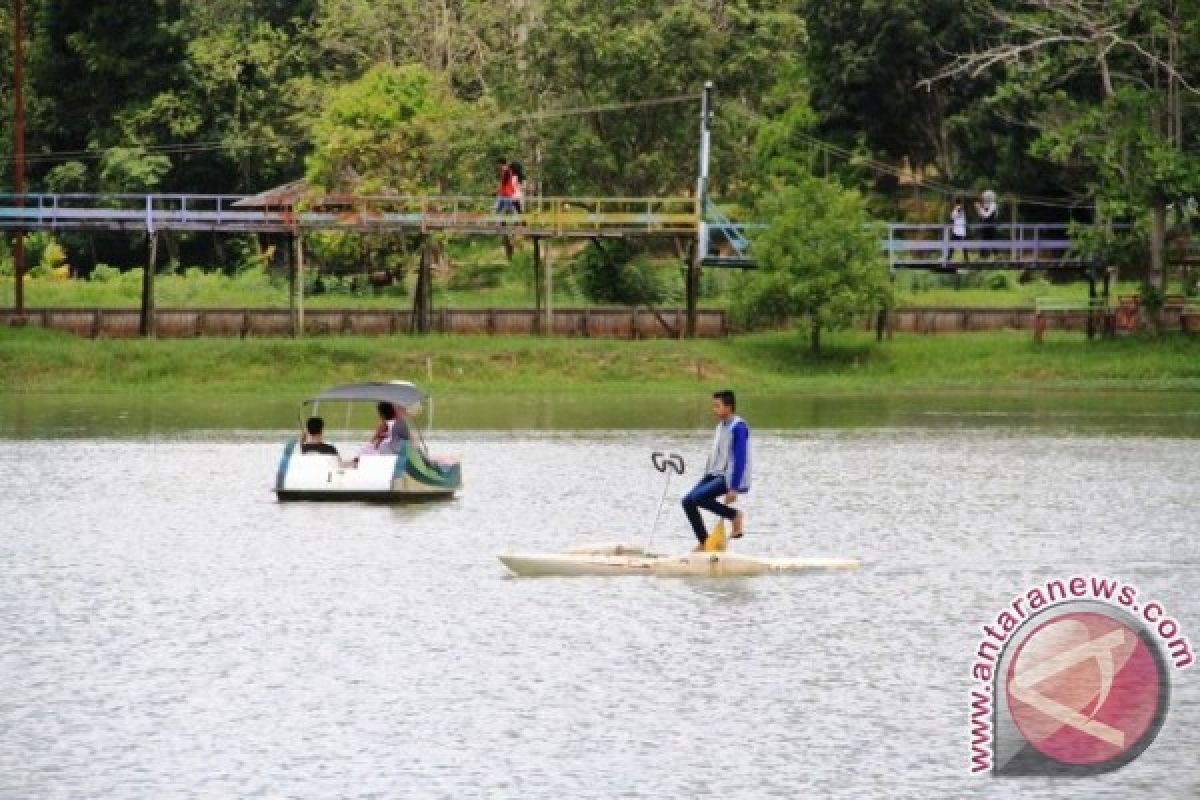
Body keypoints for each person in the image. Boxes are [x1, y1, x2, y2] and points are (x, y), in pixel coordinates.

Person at [682, 389, 752, 551]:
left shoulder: (738, 427)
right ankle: (705, 542)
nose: (714, 410)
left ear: (729, 407)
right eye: (713, 406)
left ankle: (735, 516)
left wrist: (733, 488)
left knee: (699, 497)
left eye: (717, 406)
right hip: (714, 474)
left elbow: (740, 459)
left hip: (729, 477)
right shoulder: (721, 426)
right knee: (687, 501)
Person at [975, 189, 999, 259]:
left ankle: (996, 257)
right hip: (984, 227)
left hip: (991, 227)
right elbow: (981, 216)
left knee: (993, 241)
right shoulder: (985, 205)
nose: (984, 198)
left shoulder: (993, 205)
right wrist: (978, 209)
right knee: (983, 241)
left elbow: (986, 215)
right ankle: (982, 257)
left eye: (985, 197)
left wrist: (979, 208)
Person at [949, 200, 968, 266]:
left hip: (961, 231)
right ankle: (949, 258)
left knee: (964, 246)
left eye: (958, 204)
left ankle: (966, 259)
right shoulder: (955, 210)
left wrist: (958, 208)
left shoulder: (961, 210)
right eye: (956, 205)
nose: (957, 206)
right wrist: (955, 209)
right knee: (951, 245)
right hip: (955, 231)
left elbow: (958, 213)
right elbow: (952, 217)